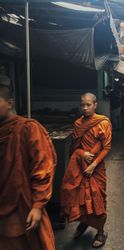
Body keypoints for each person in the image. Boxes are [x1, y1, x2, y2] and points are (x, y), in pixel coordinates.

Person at [0, 84, 57, 250]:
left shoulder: (28, 129)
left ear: (10, 103)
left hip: (23, 205)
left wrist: (38, 206)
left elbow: (43, 168)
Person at [60, 93, 112, 248]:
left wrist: (94, 164)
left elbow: (106, 147)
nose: (85, 108)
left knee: (98, 198)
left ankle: (101, 232)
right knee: (80, 198)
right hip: (81, 168)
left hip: (96, 169)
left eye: (88, 105)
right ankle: (83, 223)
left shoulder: (103, 122)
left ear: (95, 105)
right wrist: (82, 154)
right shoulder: (77, 124)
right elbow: (75, 149)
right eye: (82, 105)